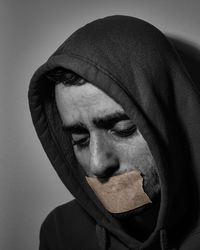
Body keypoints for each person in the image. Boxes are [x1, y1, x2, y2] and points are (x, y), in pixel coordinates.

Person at [28, 15, 200, 250]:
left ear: (170, 119)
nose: (98, 164)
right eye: (80, 139)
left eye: (123, 130)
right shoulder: (60, 230)